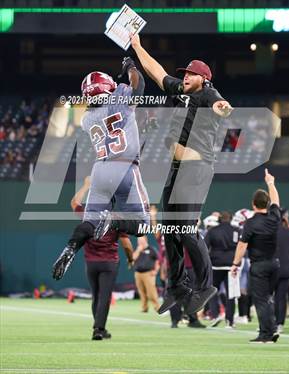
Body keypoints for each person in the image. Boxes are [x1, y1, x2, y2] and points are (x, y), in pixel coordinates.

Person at [130, 33, 233, 315]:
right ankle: (177, 286)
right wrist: (138, 46)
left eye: (191, 74)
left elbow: (221, 106)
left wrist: (223, 109)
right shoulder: (181, 92)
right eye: (185, 73)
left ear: (204, 79)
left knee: (186, 229)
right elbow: (157, 72)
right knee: (171, 231)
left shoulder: (208, 93)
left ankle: (205, 286)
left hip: (197, 167)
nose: (185, 76)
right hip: (177, 169)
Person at [52, 57, 150, 280]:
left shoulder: (87, 119)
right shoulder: (119, 97)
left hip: (100, 169)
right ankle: (113, 220)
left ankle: (70, 248)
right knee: (143, 225)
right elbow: (139, 86)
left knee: (89, 222)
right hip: (125, 167)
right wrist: (130, 67)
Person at [70, 175, 134, 340]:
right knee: (105, 296)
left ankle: (99, 327)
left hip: (91, 263)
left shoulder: (88, 216)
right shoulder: (116, 219)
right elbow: (126, 244)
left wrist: (86, 186)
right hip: (109, 263)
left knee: (96, 295)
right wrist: (130, 258)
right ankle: (98, 329)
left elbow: (74, 203)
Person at [231, 169, 281, 343]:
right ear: (267, 204)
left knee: (260, 300)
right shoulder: (274, 217)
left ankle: (266, 333)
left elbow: (242, 245)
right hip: (275, 264)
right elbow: (275, 201)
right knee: (267, 298)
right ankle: (271, 328)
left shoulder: (251, 223)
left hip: (259, 265)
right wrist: (270, 183)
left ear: (253, 204)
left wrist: (235, 264)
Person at [205, 211, 239, 328]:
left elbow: (204, 247)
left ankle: (215, 314)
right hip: (231, 265)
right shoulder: (236, 231)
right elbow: (242, 246)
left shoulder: (212, 231)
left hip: (216, 265)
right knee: (231, 294)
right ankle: (230, 321)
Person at [133, 236, 160, 312]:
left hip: (148, 273)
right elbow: (132, 259)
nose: (139, 242)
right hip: (138, 273)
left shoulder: (151, 249)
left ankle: (157, 307)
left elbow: (158, 261)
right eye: (138, 241)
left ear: (145, 240)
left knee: (151, 292)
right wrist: (138, 250)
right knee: (141, 292)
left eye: (141, 240)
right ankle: (144, 308)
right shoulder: (138, 250)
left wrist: (155, 271)